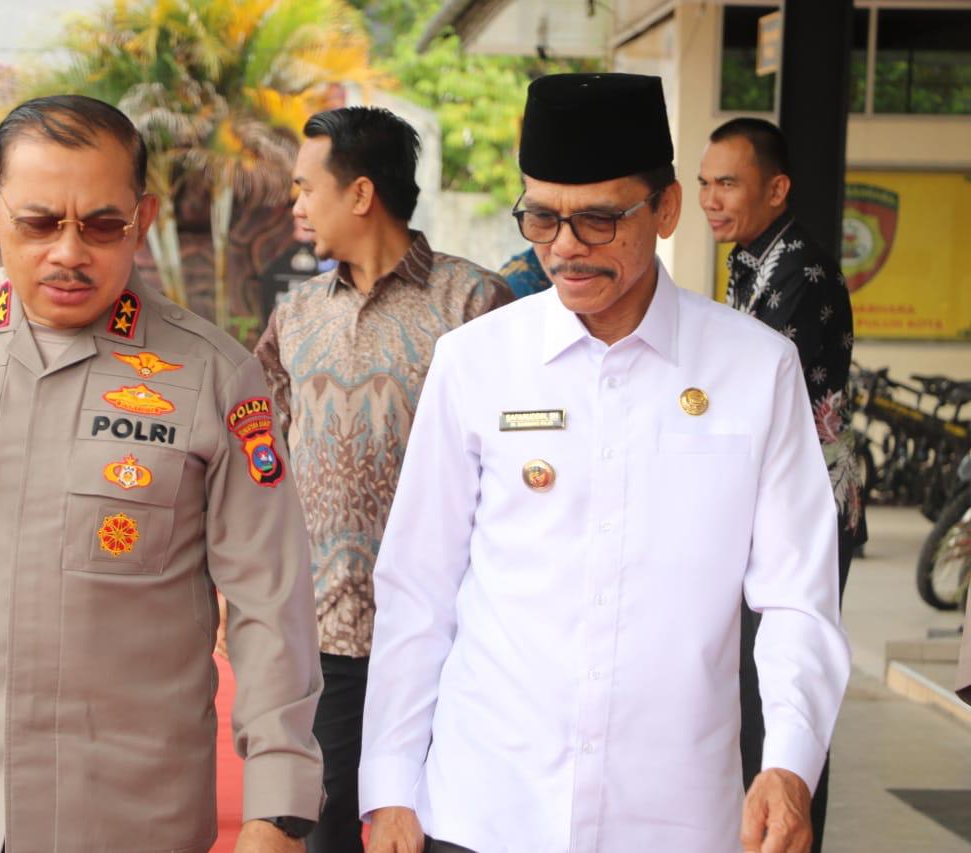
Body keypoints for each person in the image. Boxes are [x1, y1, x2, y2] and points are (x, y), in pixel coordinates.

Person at [0, 94, 323, 853]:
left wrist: (276, 809)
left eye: (103, 225)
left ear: (143, 220)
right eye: (40, 221)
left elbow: (270, 603)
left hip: (129, 820)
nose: (69, 252)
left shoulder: (214, 377)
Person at [359, 73, 850, 853]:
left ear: (666, 209)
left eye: (596, 219)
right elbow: (419, 585)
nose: (564, 247)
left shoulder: (756, 369)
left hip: (673, 816)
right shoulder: (476, 361)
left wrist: (790, 762)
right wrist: (388, 781)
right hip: (486, 808)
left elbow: (798, 597)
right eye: (542, 216)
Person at [254, 106, 512, 853]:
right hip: (327, 635)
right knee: (325, 830)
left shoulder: (476, 304)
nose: (297, 205)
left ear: (361, 192)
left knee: (446, 833)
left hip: (453, 638)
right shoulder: (296, 315)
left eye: (306, 188)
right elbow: (257, 452)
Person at [699, 116, 863, 852]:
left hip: (808, 509)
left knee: (788, 686)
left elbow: (744, 391)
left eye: (727, 184)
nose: (711, 199)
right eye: (704, 184)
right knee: (753, 689)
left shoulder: (802, 271)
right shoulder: (751, 258)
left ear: (777, 189)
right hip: (770, 502)